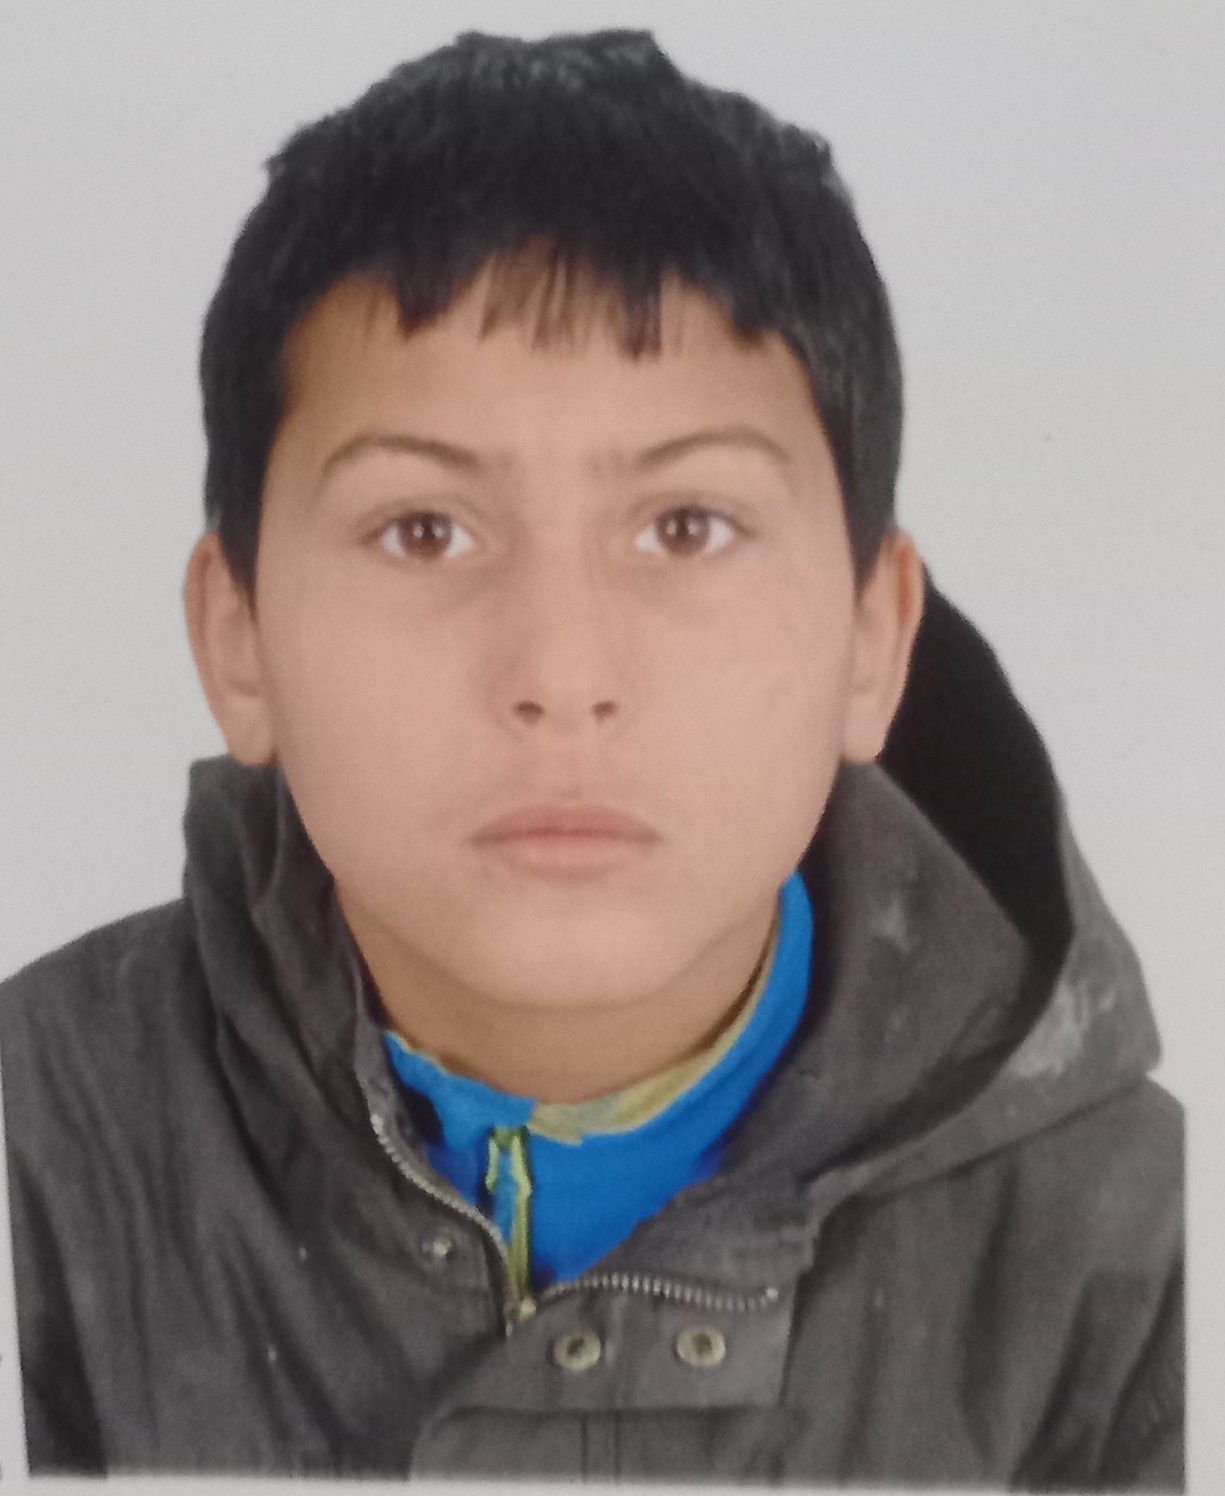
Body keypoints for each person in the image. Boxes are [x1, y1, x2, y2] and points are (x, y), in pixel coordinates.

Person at [0, 27, 1183, 1487]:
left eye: (685, 527)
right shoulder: (38, 1159)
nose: (561, 678)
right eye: (424, 530)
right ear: (237, 639)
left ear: (874, 640)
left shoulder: (1137, 1279)